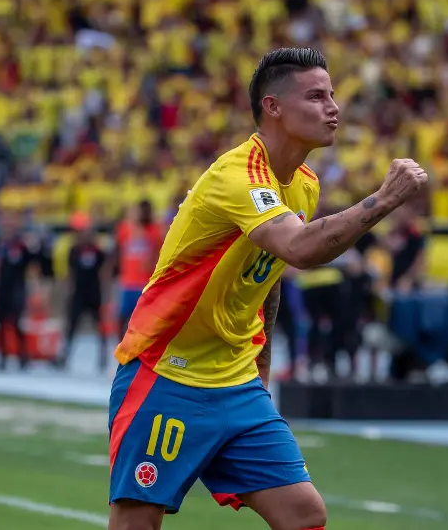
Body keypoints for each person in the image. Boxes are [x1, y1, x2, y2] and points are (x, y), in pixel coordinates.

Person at [107, 47, 428, 530]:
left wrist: (262, 362)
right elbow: (298, 248)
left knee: (304, 515)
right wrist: (383, 200)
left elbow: (272, 273)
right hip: (166, 373)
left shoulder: (303, 184)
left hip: (237, 383)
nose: (333, 107)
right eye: (316, 96)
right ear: (273, 107)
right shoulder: (235, 175)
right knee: (137, 522)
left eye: (333, 95)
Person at [0, 211, 39, 371]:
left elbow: (32, 266)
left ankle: (23, 356)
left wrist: (35, 288)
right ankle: (2, 356)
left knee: (17, 322)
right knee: (1, 323)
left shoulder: (21, 244)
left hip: (17, 288)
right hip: (2, 288)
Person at [58, 212, 109, 371]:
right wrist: (68, 291)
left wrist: (105, 293)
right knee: (71, 326)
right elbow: (71, 273)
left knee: (100, 326)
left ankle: (103, 358)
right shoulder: (74, 250)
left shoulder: (97, 251)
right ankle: (64, 357)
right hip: (78, 293)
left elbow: (104, 272)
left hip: (93, 293)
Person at [114, 200, 163, 342]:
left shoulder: (154, 231)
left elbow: (157, 254)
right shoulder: (125, 228)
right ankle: (120, 348)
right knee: (122, 318)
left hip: (145, 283)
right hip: (127, 282)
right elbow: (118, 251)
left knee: (145, 320)